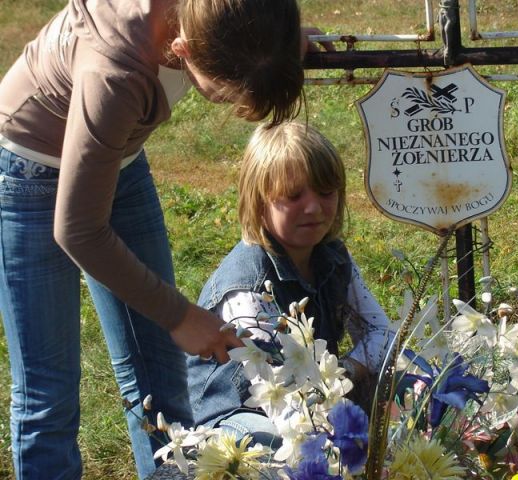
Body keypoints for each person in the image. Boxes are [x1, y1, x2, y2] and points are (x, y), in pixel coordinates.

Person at [0, 1, 331, 478]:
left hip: (118, 154)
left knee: (163, 379)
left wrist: (275, 43)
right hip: (28, 171)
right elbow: (79, 229)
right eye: (224, 94)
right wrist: (179, 315)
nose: (231, 102)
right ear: (182, 49)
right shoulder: (113, 70)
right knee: (48, 396)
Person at [187, 121, 392, 448]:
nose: (313, 207)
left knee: (407, 387)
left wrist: (346, 371)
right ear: (259, 202)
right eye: (294, 196)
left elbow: (382, 333)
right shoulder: (246, 287)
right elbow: (283, 403)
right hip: (239, 415)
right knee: (271, 443)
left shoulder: (332, 256)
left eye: (325, 192)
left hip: (315, 397)